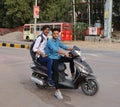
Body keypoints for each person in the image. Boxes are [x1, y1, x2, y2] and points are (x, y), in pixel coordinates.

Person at [46, 28, 75, 100]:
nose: (56, 34)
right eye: (54, 33)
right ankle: (57, 91)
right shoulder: (50, 42)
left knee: (72, 59)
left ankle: (73, 75)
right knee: (56, 73)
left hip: (58, 57)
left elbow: (63, 46)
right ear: (52, 34)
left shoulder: (57, 41)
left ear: (58, 34)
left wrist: (72, 48)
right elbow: (55, 50)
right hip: (52, 58)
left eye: (57, 33)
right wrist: (64, 53)